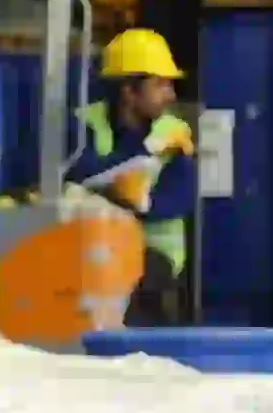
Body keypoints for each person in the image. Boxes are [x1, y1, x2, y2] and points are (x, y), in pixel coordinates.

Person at [72, 25, 201, 325]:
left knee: (130, 281)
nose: (170, 95)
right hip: (89, 245)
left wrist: (136, 202)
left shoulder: (174, 131)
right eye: (161, 85)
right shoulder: (83, 124)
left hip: (153, 253)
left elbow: (181, 196)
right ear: (129, 91)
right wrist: (144, 152)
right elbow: (80, 173)